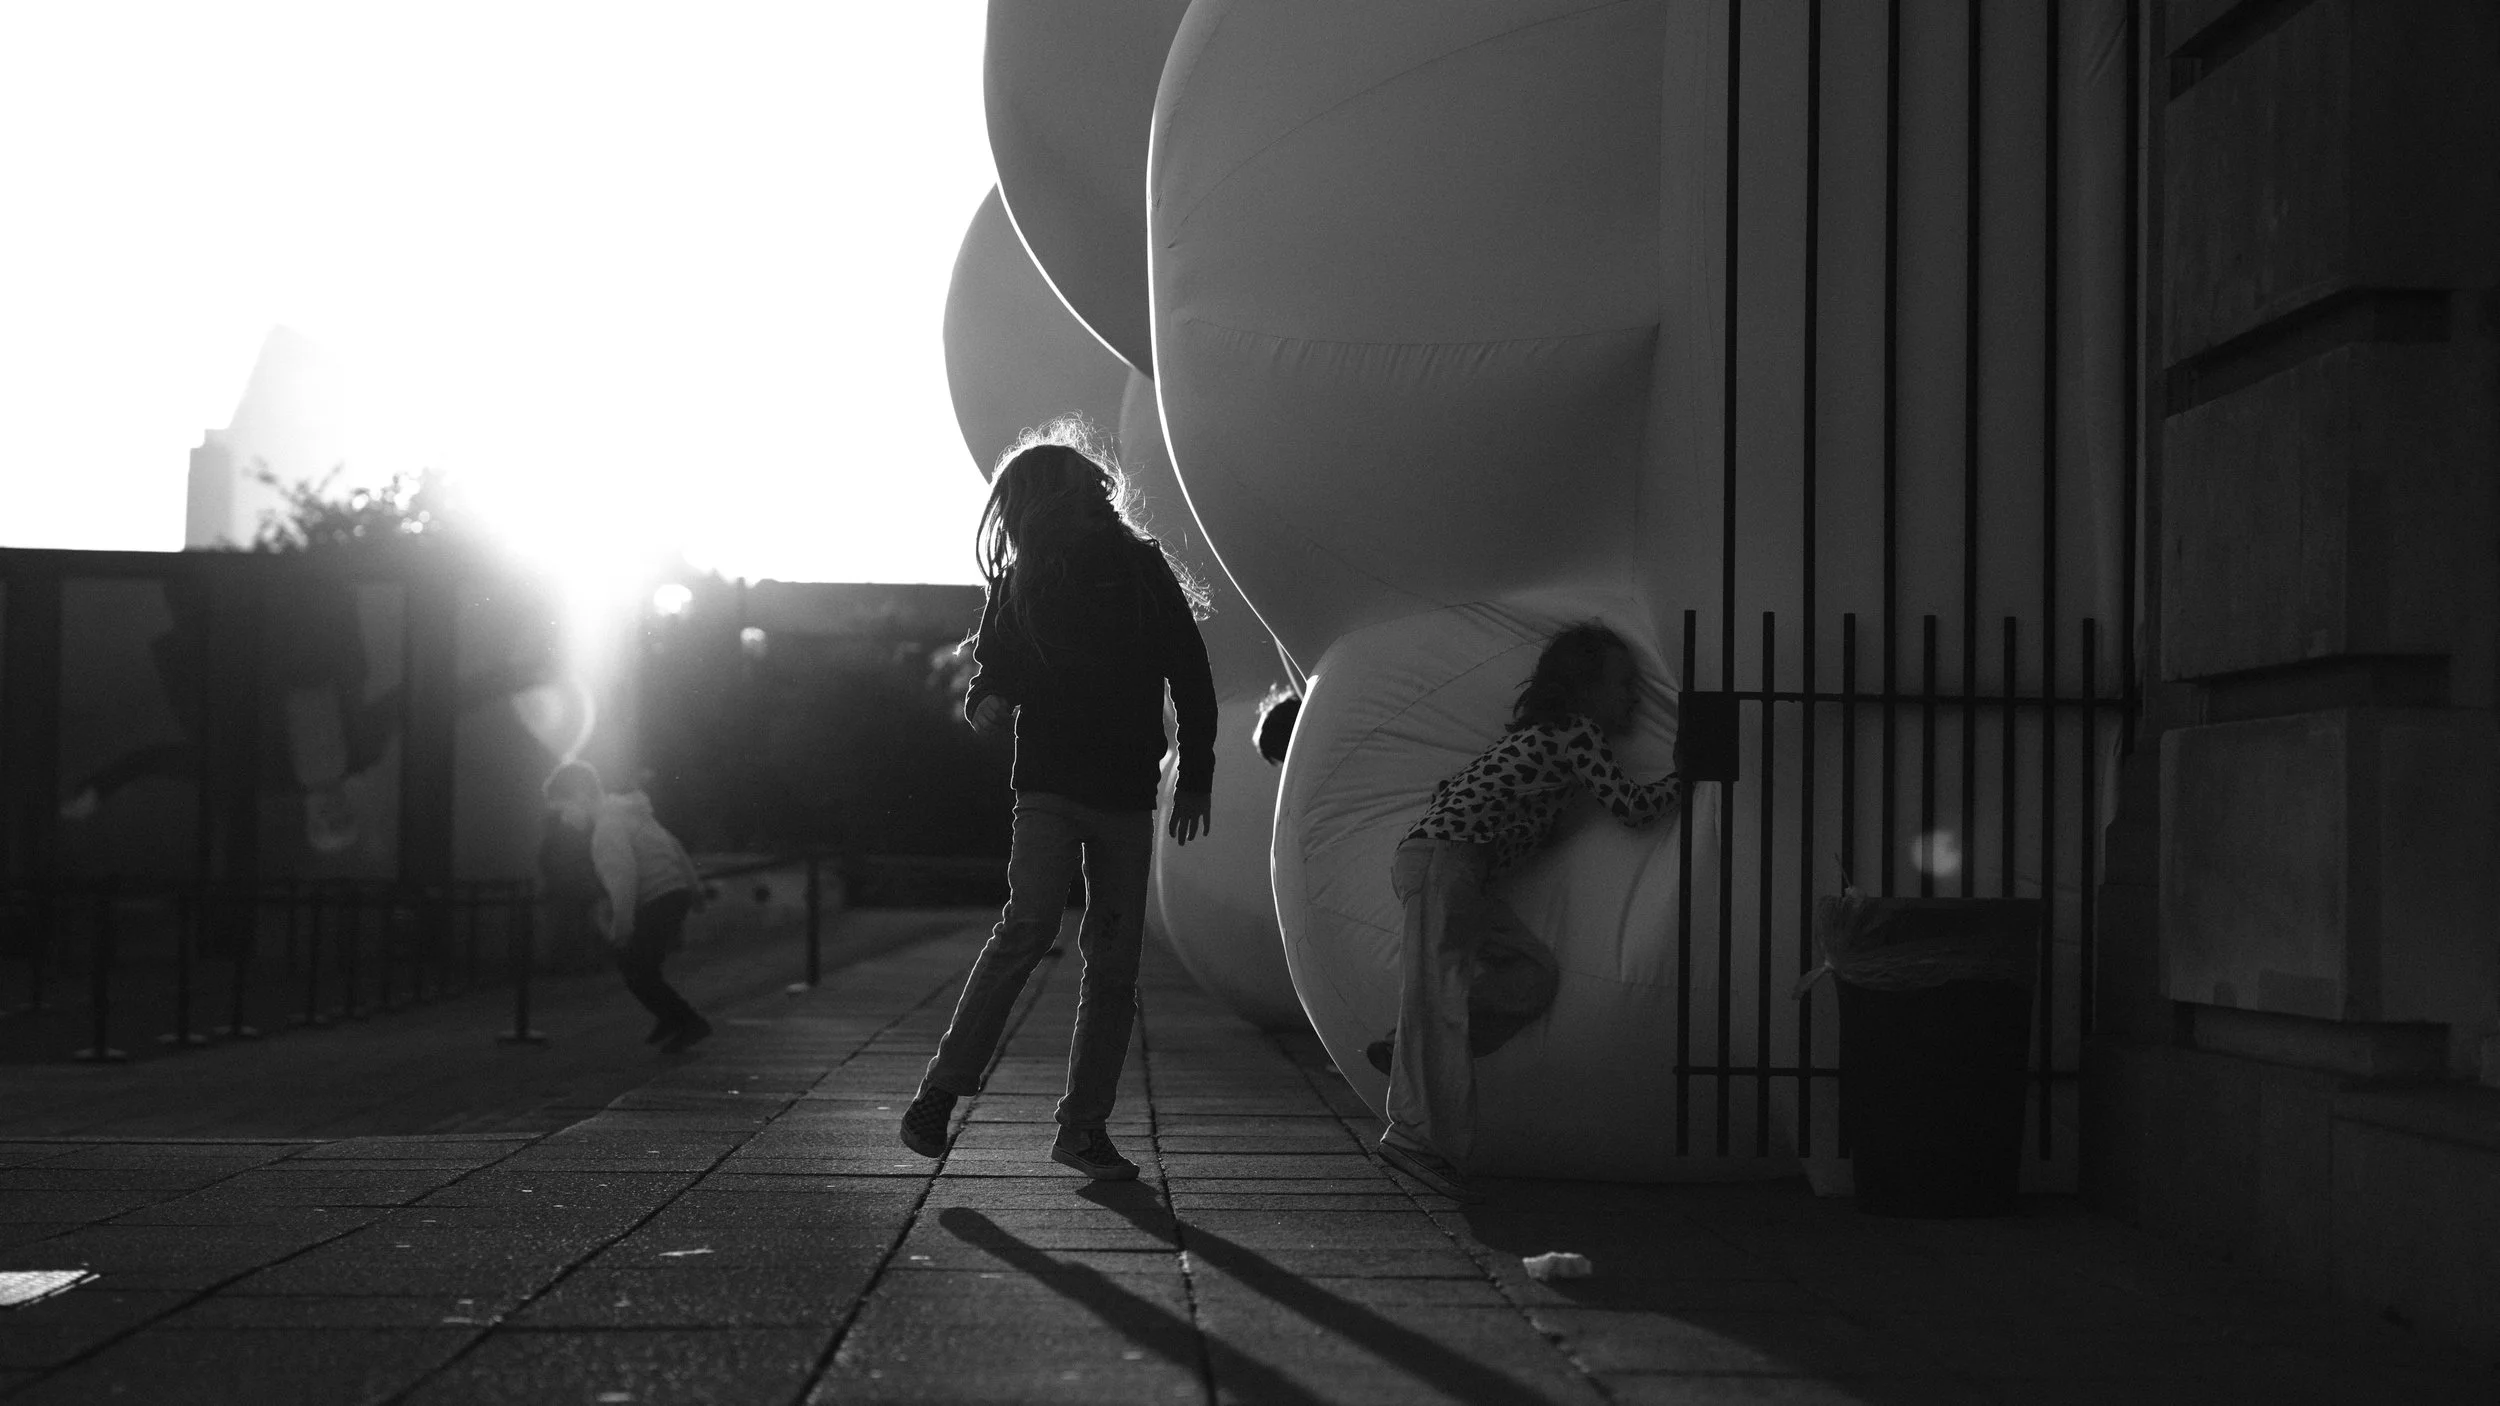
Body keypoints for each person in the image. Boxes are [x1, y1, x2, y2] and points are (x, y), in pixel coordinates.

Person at [899, 429, 1217, 1181]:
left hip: (1123, 797)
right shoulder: (1023, 576)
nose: (1009, 524)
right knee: (1029, 924)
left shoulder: (1139, 570)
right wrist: (988, 694)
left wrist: (1197, 772)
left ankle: (1082, 1130)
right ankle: (941, 1091)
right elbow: (996, 662)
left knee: (1113, 965)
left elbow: (1191, 672)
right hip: (1045, 788)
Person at [1376, 623, 1680, 1201]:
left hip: (1457, 865)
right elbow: (1634, 809)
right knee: (1440, 995)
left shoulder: (1543, 742)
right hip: (1451, 861)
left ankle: (1406, 1047)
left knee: (1530, 976)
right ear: (1583, 689)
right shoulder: (1574, 732)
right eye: (1623, 685)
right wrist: (1684, 778)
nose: (1634, 699)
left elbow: (1452, 791)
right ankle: (1418, 1139)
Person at [544, 760, 712, 1053]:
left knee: (634, 967)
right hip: (674, 893)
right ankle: (670, 1017)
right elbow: (674, 846)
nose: (563, 819)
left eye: (563, 808)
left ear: (582, 797)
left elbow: (623, 879)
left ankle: (686, 1021)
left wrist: (621, 926)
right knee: (644, 966)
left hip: (658, 897)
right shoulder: (630, 814)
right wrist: (694, 889)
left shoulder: (606, 830)